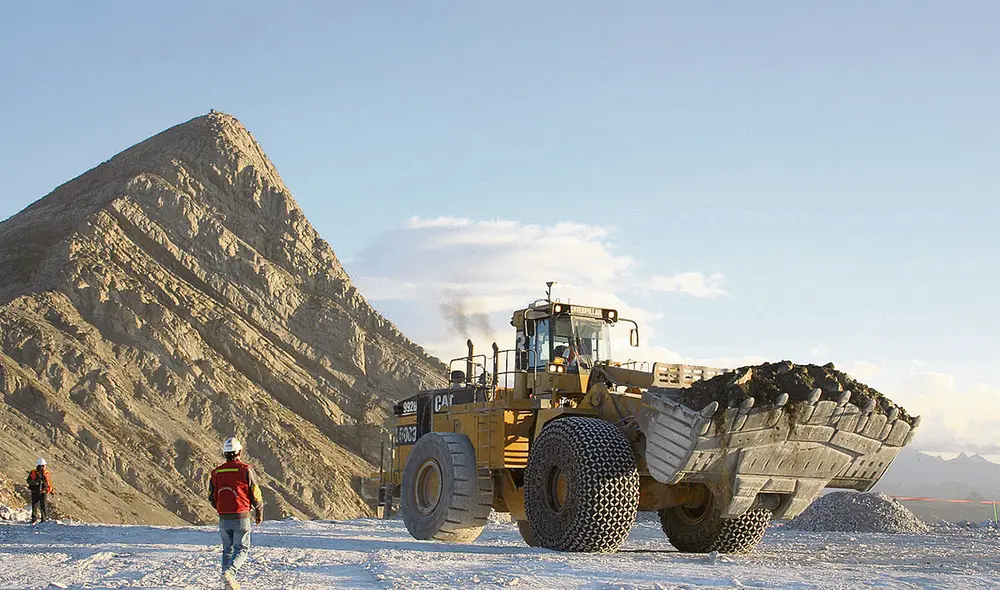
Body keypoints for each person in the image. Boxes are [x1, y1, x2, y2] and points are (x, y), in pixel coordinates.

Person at [209, 437, 263, 590]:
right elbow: (255, 493)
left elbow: (211, 496)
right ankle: (230, 573)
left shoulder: (216, 472)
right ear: (239, 452)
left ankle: (227, 583)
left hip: (223, 517)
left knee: (227, 549)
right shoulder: (245, 469)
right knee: (241, 548)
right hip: (241, 515)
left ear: (225, 454)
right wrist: (259, 511)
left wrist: (221, 507)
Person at [26, 458, 54, 524]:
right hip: (35, 491)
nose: (45, 466)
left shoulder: (46, 473)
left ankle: (43, 519)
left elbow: (49, 482)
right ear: (41, 465)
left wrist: (51, 490)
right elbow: (28, 480)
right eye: (44, 465)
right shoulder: (33, 472)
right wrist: (35, 483)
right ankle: (34, 519)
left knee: (43, 505)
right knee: (35, 505)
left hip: (43, 491)